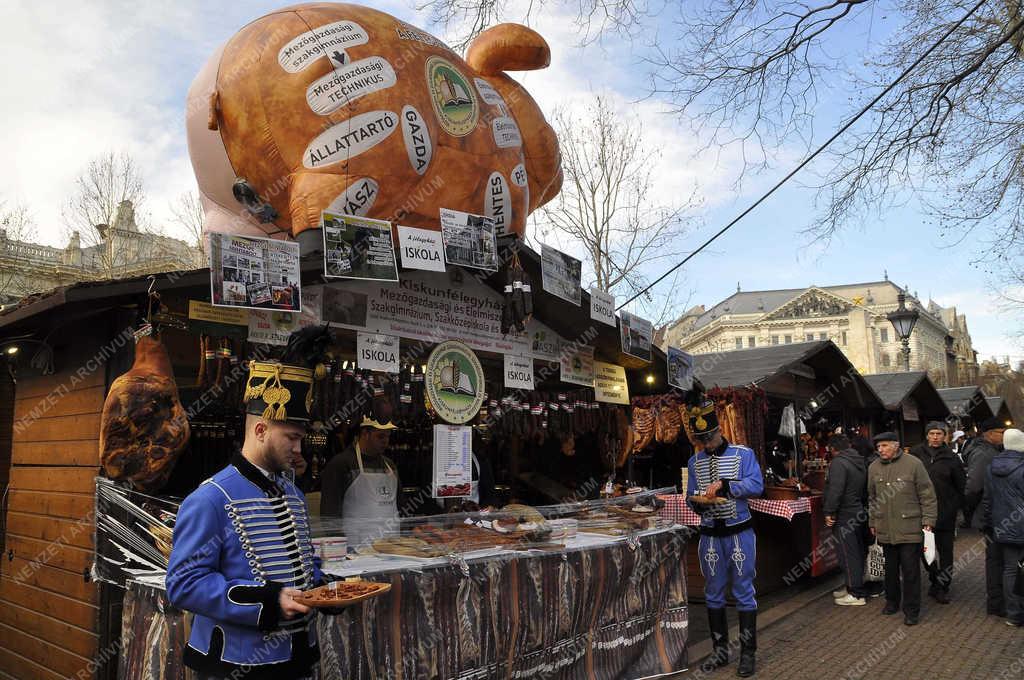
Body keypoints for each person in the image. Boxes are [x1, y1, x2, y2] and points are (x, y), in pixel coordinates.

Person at [166, 351, 329, 679]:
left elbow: (303, 564)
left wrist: (326, 590)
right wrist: (269, 600)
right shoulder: (210, 498)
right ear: (260, 430)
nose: (299, 450)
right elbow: (183, 584)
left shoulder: (295, 496)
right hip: (237, 663)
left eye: (301, 439)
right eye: (292, 438)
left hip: (297, 657)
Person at [685, 399, 764, 677]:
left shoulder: (744, 455)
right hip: (709, 536)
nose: (706, 443)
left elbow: (757, 485)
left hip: (739, 532)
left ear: (719, 431)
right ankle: (719, 653)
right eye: (701, 439)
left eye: (709, 437)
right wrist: (696, 502)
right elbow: (690, 495)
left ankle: (748, 654)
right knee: (713, 592)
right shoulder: (694, 461)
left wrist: (728, 485)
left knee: (744, 592)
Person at [867, 431, 937, 626]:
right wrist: (872, 521)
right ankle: (892, 602)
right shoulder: (873, 467)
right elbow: (872, 498)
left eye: (884, 446)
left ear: (896, 445)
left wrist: (929, 520)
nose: (880, 450)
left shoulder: (914, 464)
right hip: (885, 528)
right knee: (889, 570)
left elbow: (927, 494)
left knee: (911, 571)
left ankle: (912, 610)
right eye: (878, 447)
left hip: (910, 527)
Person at [319, 417, 399, 551]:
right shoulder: (341, 464)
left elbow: (400, 505)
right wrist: (339, 546)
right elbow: (329, 512)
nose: (385, 441)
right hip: (356, 548)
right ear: (365, 434)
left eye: (388, 436)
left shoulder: (390, 465)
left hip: (392, 546)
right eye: (380, 436)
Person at [909, 422, 966, 604]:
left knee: (946, 552)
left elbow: (961, 486)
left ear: (945, 436)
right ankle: (934, 579)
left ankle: (943, 586)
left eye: (939, 434)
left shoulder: (952, 458)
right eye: (932, 433)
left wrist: (954, 507)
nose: (935, 437)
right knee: (925, 552)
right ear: (926, 435)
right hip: (922, 512)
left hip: (945, 513)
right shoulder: (916, 454)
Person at [965, 417, 1008, 616]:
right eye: (1000, 431)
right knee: (995, 560)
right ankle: (996, 602)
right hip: (991, 515)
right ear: (989, 434)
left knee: (999, 559)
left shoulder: (994, 451)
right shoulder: (984, 454)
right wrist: (976, 511)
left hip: (998, 513)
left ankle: (1000, 599)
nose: (1003, 435)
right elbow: (974, 486)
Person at [983, 428, 1024, 627]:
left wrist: (988, 523)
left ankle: (1014, 615)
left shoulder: (992, 466)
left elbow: (988, 499)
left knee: (1010, 570)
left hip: (1003, 527)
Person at [823, 434, 869, 606]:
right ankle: (852, 586)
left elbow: (836, 490)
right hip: (857, 510)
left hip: (844, 513)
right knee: (856, 551)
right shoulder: (858, 460)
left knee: (848, 554)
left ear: (832, 449)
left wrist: (829, 511)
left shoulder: (838, 463)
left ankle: (856, 593)